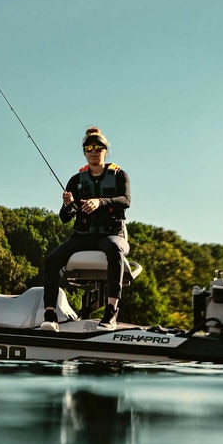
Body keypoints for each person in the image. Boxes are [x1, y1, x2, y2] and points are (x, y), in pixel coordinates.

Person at [41, 127, 131, 330]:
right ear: (84, 152)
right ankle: (50, 315)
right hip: (82, 237)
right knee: (52, 260)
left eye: (98, 147)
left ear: (105, 150)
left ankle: (110, 312)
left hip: (111, 235)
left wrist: (100, 202)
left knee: (113, 249)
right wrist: (67, 204)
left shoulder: (119, 175)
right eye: (89, 147)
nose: (93, 151)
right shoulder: (76, 180)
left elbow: (125, 201)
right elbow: (65, 217)